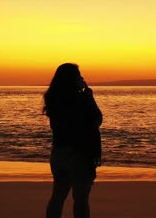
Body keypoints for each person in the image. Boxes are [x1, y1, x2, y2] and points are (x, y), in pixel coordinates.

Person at [44, 63, 102, 218]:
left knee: (57, 197)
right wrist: (89, 96)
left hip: (58, 153)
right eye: (79, 75)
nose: (82, 78)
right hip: (79, 154)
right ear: (72, 79)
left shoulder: (52, 98)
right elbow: (97, 119)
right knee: (81, 199)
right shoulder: (81, 99)